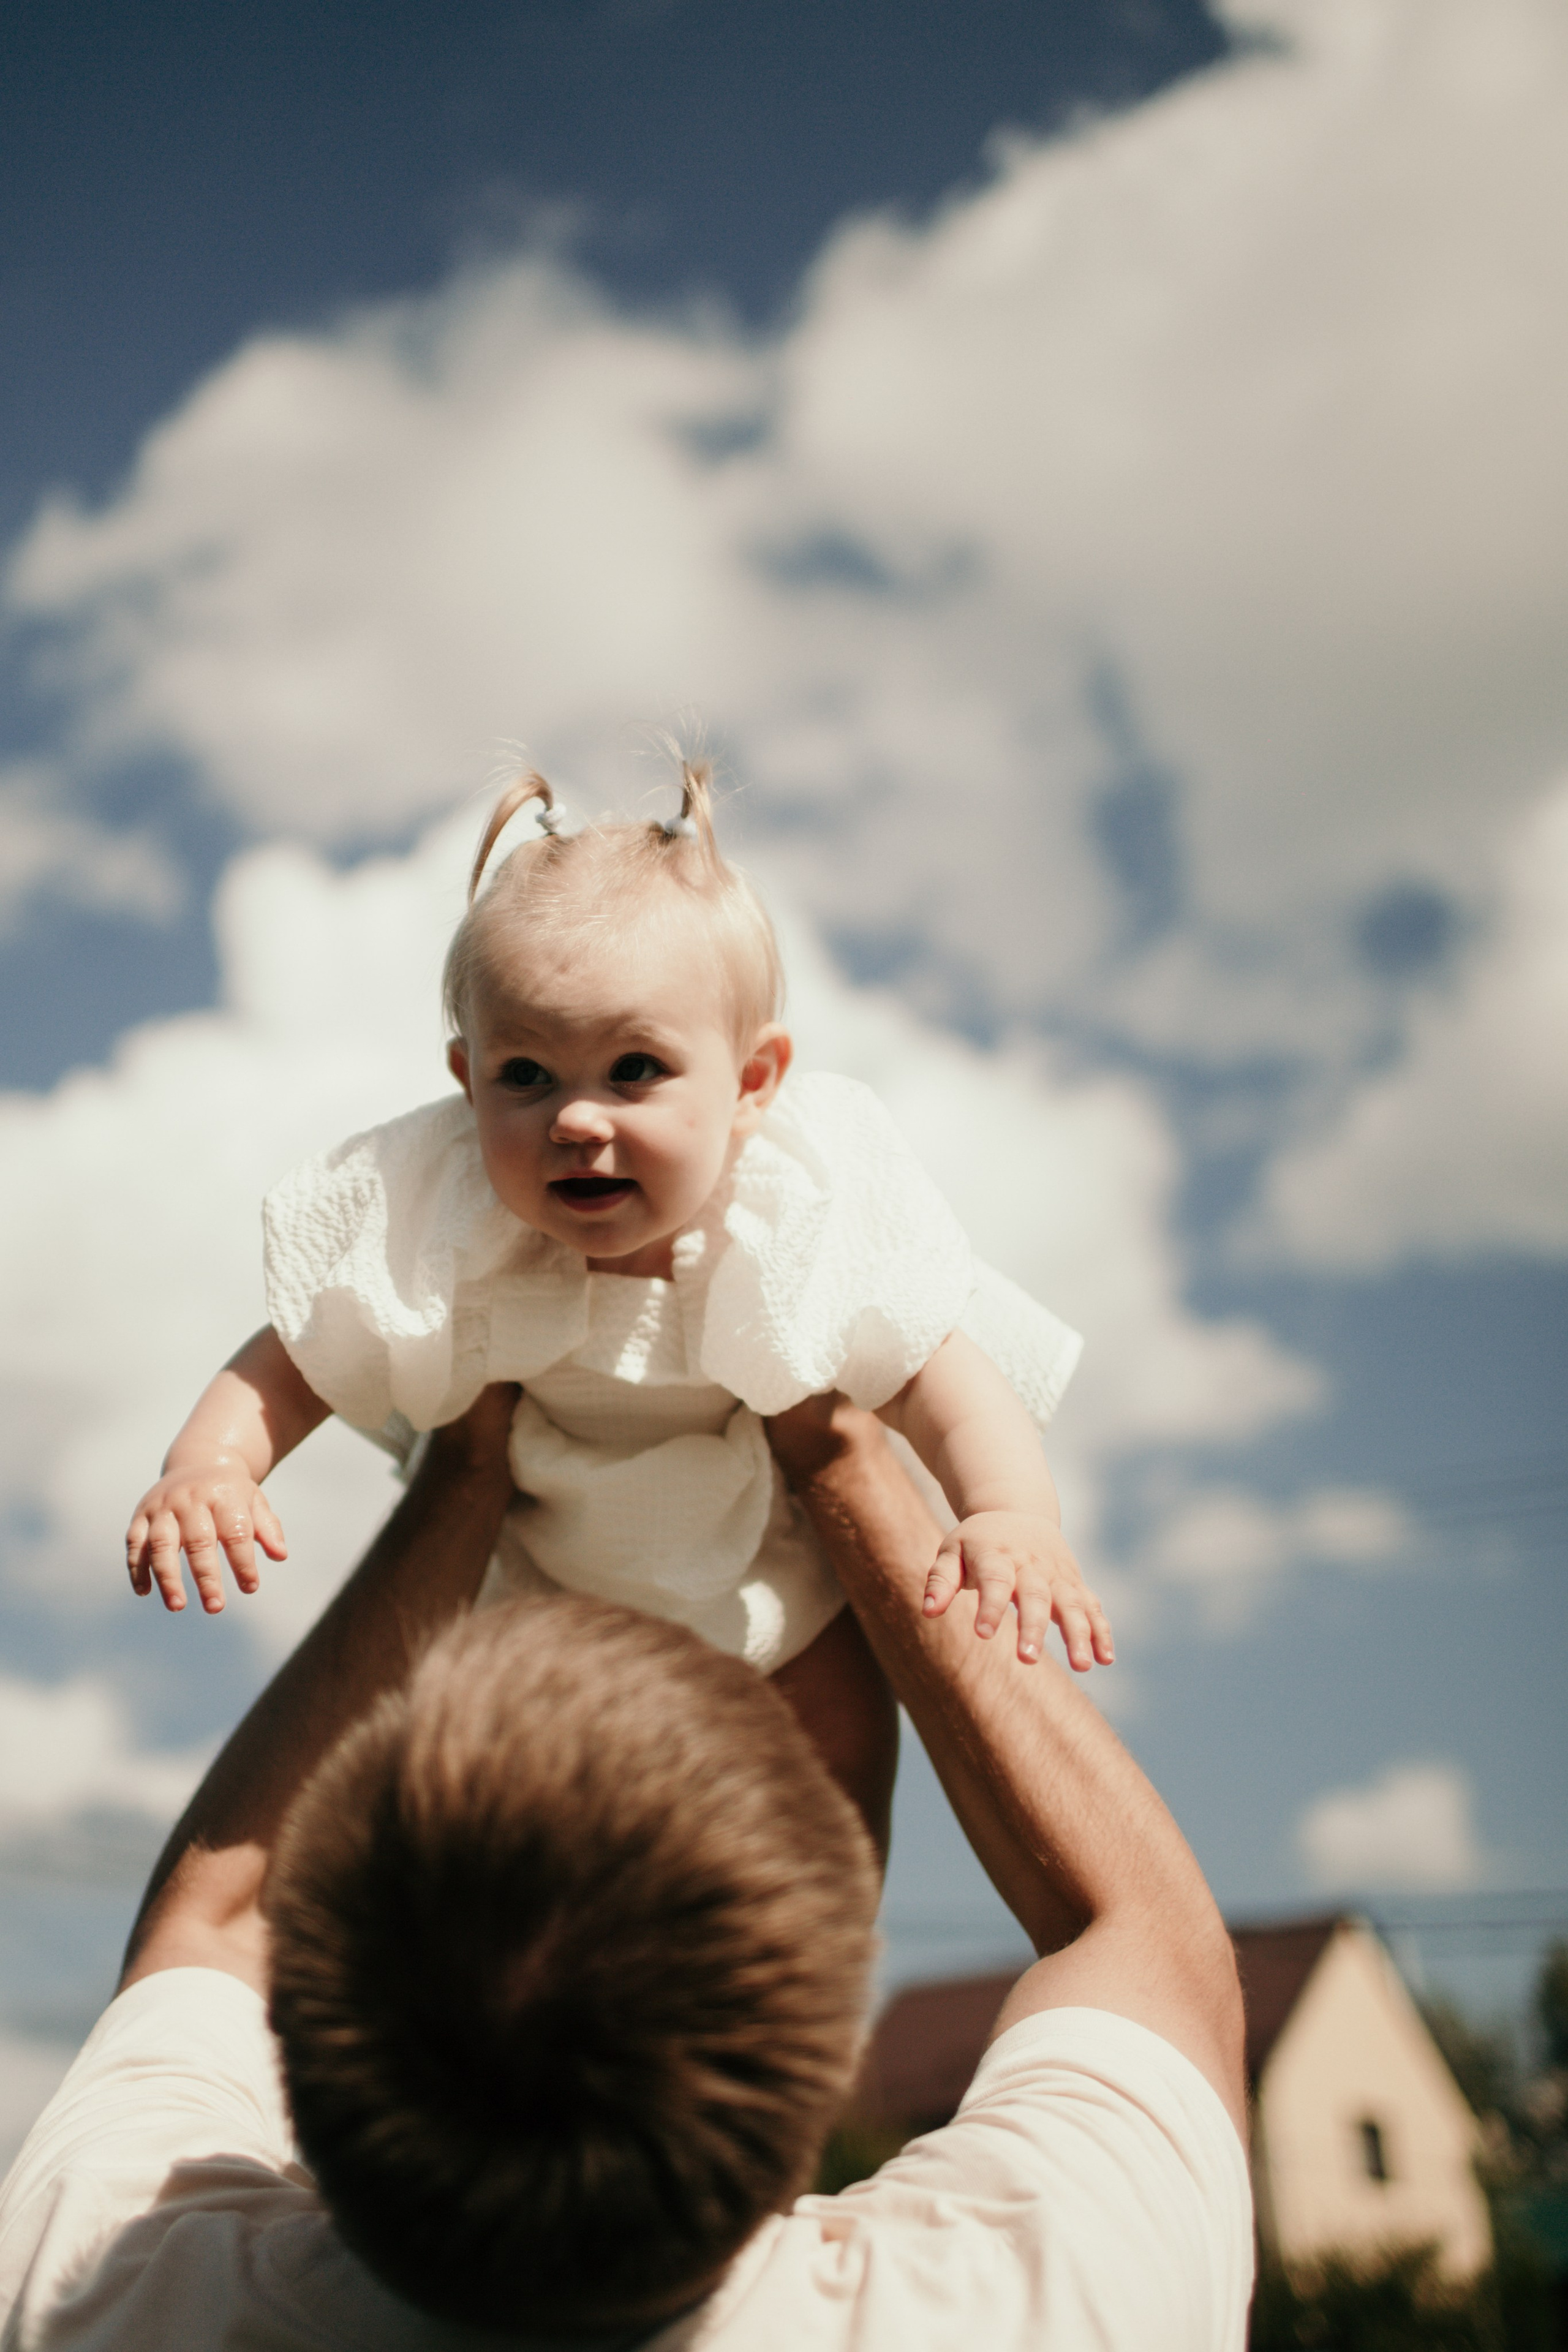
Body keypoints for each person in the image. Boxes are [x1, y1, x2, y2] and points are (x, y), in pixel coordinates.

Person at [1, 1386, 1252, 2350]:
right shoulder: (1026, 2304)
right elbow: (1144, 1939)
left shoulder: (110, 2291)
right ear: (826, 2046)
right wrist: (842, 1454)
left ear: (309, 2043)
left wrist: (463, 1467)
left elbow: (214, 1927)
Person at [125, 760, 1112, 1687]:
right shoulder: (447, 1222)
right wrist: (211, 1465)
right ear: (468, 1086)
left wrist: (1009, 1512)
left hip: (773, 1571)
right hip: (552, 1586)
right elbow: (296, 1354)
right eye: (526, 1076)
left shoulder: (792, 1215)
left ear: (754, 1083)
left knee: (838, 1718)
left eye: (634, 1069)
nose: (576, 1118)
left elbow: (943, 1377)